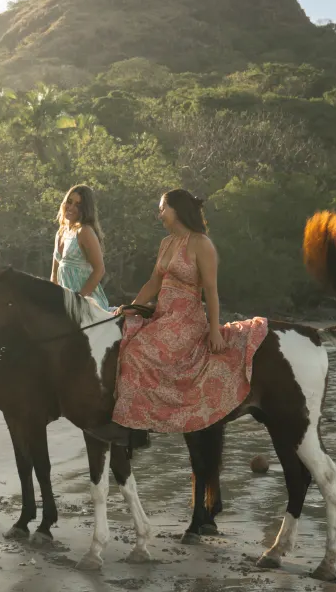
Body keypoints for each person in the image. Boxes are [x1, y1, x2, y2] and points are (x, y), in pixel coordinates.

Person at [97, 189, 269, 440]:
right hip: (163, 315)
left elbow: (210, 290)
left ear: (176, 209)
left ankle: (135, 426)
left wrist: (214, 330)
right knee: (124, 336)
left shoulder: (201, 243)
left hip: (186, 319)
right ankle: (130, 415)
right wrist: (132, 307)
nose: (159, 215)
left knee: (138, 351)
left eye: (162, 209)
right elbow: (153, 283)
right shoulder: (166, 243)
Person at [51, 184, 109, 309]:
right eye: (69, 202)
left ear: (85, 209)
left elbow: (99, 270)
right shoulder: (61, 233)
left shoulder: (84, 231)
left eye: (77, 205)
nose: (71, 207)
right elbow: (54, 274)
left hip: (85, 304)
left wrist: (78, 301)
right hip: (64, 303)